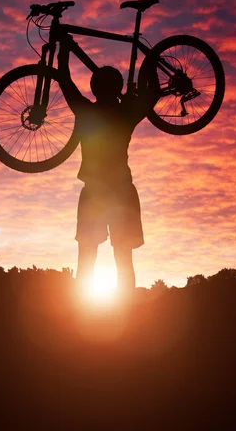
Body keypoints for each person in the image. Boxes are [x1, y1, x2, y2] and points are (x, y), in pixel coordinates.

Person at [57, 37, 159, 295]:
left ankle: (80, 316)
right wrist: (152, 62)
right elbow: (153, 94)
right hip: (122, 190)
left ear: (94, 89)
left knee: (86, 257)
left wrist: (64, 52)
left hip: (94, 192)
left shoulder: (87, 112)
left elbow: (65, 82)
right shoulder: (127, 113)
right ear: (118, 89)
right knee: (123, 259)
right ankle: (126, 313)